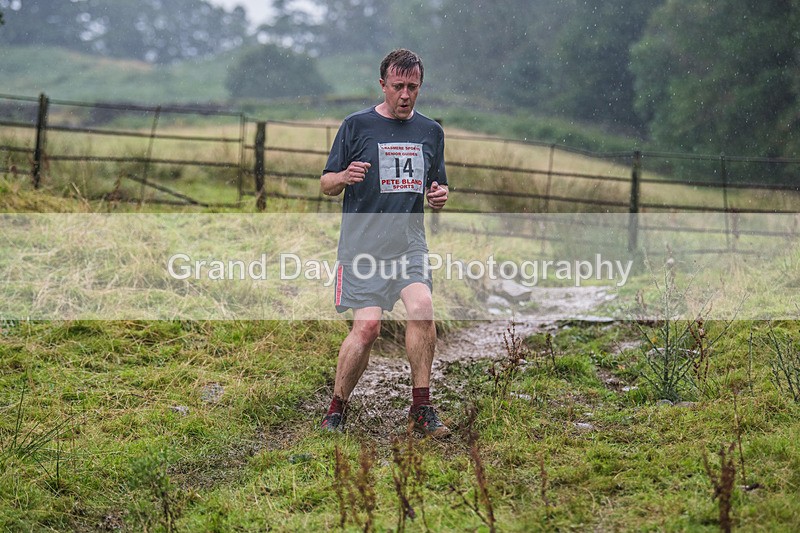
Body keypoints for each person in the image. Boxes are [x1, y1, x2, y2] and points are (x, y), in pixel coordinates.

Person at [319, 49, 450, 437]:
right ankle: (336, 409)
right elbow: (326, 184)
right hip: (362, 250)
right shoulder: (356, 126)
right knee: (368, 328)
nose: (405, 95)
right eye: (398, 87)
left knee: (422, 307)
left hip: (409, 245)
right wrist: (344, 176)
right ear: (383, 85)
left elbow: (436, 186)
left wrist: (439, 196)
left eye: (413, 87)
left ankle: (421, 409)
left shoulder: (431, 132)